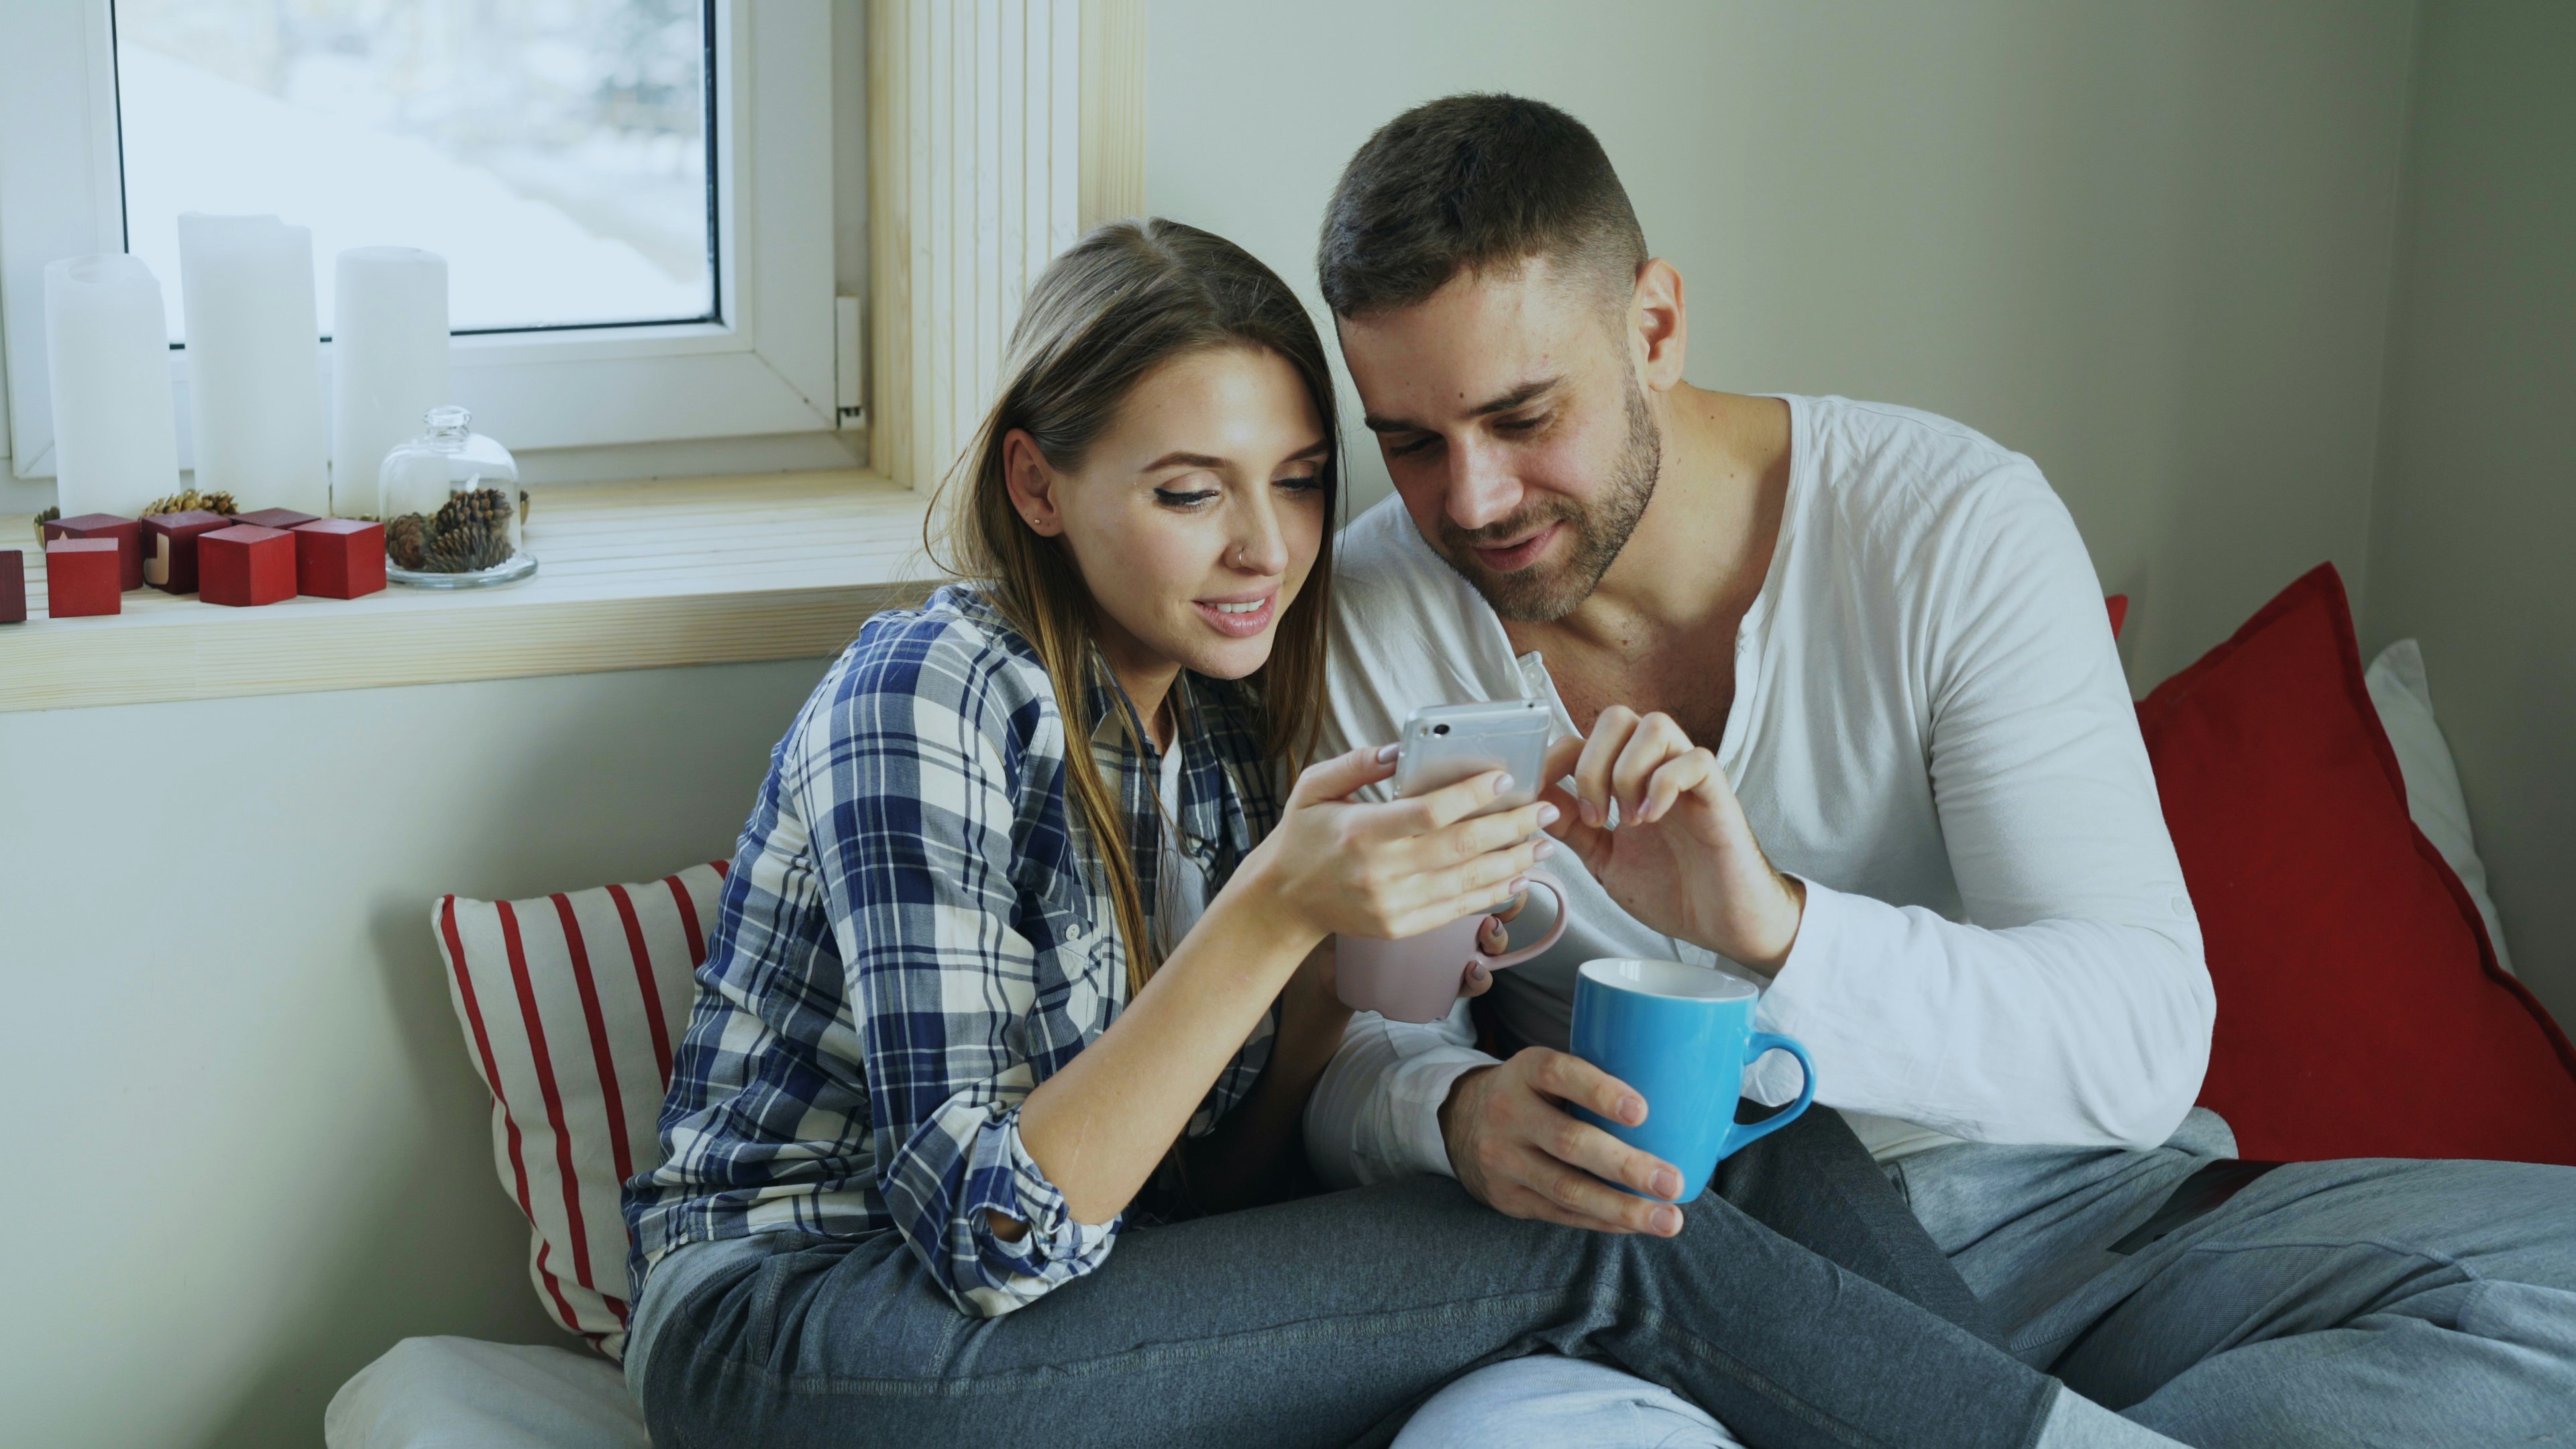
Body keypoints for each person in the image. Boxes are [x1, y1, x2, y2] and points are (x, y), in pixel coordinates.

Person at [617, 219, 2146, 1449]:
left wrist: (1343, 987)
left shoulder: (1219, 733)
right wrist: (1270, 915)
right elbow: (988, 1239)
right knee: (1591, 1237)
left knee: (1692, 1139)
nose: (1264, 550)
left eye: (1294, 484)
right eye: (1185, 492)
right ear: (1038, 480)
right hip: (801, 1328)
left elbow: (1211, 1197)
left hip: (1076, 1301)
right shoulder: (931, 692)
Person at [1303, 93, 2576, 1449]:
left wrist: (1777, 928)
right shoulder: (1372, 614)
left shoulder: (1949, 524)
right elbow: (1355, 1042)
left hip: (2088, 1235)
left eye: (1522, 416)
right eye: (1413, 442)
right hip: (1677, 1273)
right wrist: (1451, 1112)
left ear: (1656, 327)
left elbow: (2142, 1041)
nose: (1474, 501)